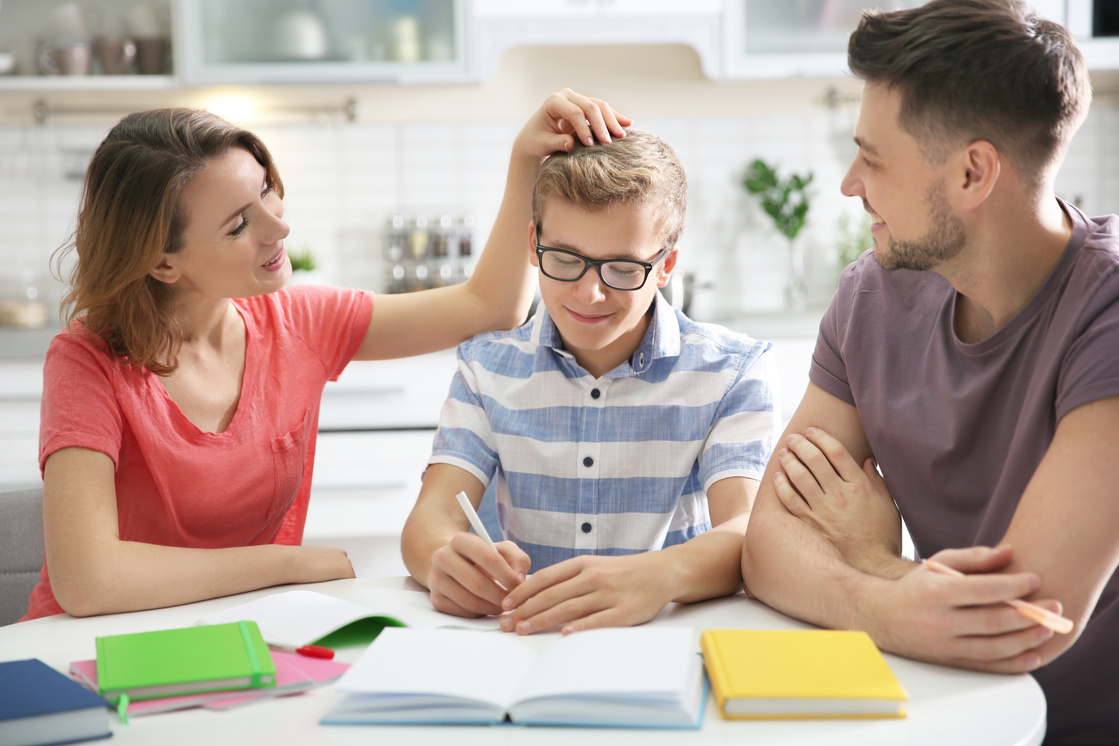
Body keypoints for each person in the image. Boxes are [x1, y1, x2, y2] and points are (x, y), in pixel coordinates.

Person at [20, 89, 630, 622]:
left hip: (247, 630)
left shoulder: (300, 322)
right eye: (239, 225)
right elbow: (87, 581)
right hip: (88, 642)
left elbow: (490, 305)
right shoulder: (86, 361)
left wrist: (526, 157)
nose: (278, 229)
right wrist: (284, 564)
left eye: (266, 193)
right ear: (162, 261)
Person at [738, 1, 1118, 742]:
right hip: (935, 710)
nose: (850, 183)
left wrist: (868, 560)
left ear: (973, 173)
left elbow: (1024, 623)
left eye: (872, 158)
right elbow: (767, 543)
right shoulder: (870, 295)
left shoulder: (1106, 310)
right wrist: (878, 598)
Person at [401, 128, 777, 635]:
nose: (590, 293)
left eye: (622, 268)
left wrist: (656, 577)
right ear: (534, 245)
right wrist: (442, 560)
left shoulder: (731, 372)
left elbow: (748, 528)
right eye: (566, 259)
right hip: (528, 637)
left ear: (665, 264)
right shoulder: (485, 368)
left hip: (669, 639)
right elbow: (428, 521)